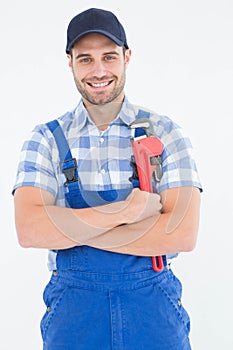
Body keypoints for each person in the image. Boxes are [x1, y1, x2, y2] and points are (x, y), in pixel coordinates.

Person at [13, 7, 202, 350]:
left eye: (109, 57)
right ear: (69, 62)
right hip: (75, 319)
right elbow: (29, 230)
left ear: (127, 57)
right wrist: (125, 213)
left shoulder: (164, 133)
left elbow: (182, 234)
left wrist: (72, 229)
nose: (98, 71)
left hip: (153, 315)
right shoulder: (45, 140)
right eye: (85, 59)